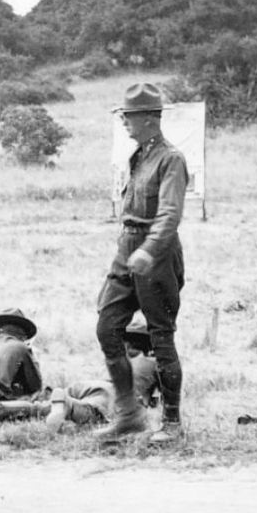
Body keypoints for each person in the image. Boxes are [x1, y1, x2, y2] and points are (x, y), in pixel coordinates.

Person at [96, 82, 189, 444]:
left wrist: (149, 250)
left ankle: (172, 422)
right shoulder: (139, 156)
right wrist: (132, 249)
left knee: (160, 338)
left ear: (150, 119)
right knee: (107, 327)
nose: (124, 123)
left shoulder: (171, 159)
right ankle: (129, 416)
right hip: (128, 247)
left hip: (158, 253)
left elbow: (169, 214)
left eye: (130, 117)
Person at [41, 326, 160, 432]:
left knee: (43, 407)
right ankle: (69, 405)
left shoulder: (117, 359)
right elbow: (156, 400)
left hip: (87, 385)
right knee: (93, 412)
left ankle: (29, 408)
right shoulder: (153, 363)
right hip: (111, 392)